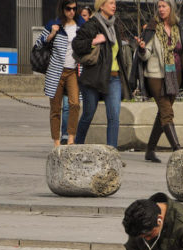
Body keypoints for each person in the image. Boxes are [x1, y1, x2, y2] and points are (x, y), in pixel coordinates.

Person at [134, 0, 183, 162]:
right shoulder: (153, 27)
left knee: (162, 114)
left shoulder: (179, 27)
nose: (161, 10)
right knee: (167, 112)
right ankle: (177, 149)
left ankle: (149, 150)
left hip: (175, 75)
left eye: (164, 6)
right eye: (159, 7)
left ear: (171, 8)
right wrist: (141, 48)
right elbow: (146, 54)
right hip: (155, 75)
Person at [73, 0, 129, 147]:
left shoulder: (115, 25)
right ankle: (77, 147)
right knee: (88, 115)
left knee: (114, 117)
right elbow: (76, 44)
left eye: (115, 3)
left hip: (114, 77)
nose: (114, 5)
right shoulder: (92, 24)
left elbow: (117, 55)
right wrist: (93, 41)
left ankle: (112, 153)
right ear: (101, 5)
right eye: (110, 3)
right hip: (94, 77)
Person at [37, 0, 81, 147]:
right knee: (56, 108)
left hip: (73, 71)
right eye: (68, 9)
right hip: (56, 71)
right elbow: (39, 43)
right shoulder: (54, 24)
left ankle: (70, 139)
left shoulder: (80, 24)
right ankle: (56, 142)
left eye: (74, 9)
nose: (72, 12)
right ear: (62, 9)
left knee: (75, 103)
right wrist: (52, 34)